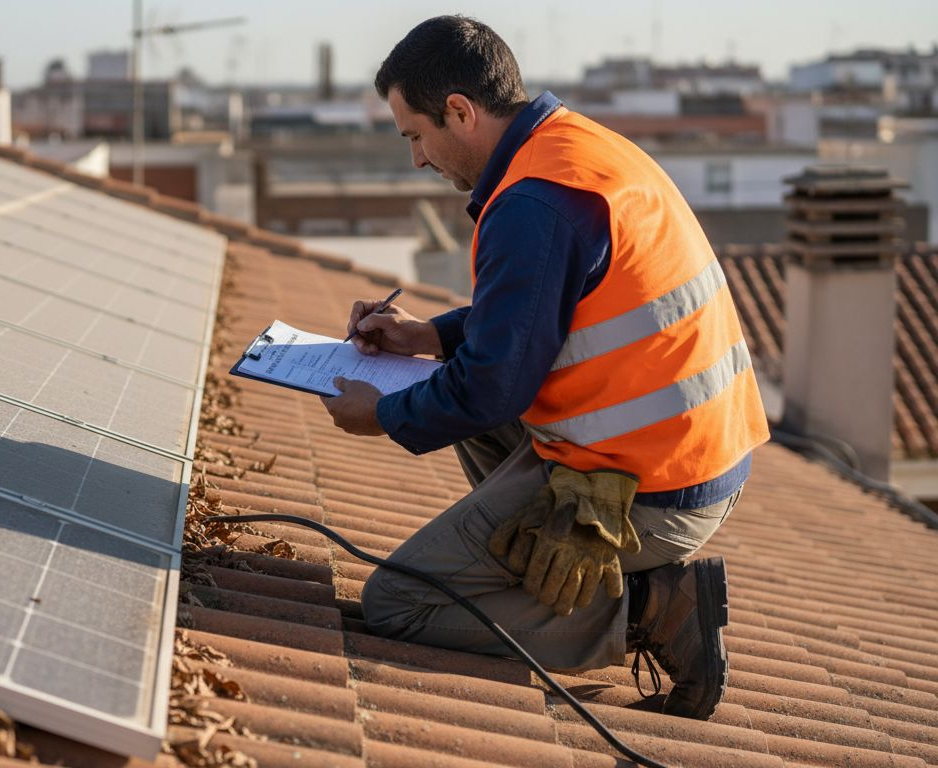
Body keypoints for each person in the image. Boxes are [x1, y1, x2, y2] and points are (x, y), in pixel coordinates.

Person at [320, 15, 769, 720]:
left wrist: (379, 415)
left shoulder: (533, 204)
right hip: (691, 455)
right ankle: (537, 557)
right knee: (462, 382)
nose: (418, 160)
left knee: (399, 603)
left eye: (415, 136)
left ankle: (654, 609)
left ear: (460, 111)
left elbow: (491, 388)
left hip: (656, 490)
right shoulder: (570, 148)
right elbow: (542, 315)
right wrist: (427, 336)